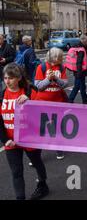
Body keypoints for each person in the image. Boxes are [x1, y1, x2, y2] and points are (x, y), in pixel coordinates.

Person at [0, 63, 49, 200]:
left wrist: (30, 101)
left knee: (37, 162)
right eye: (5, 78)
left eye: (11, 78)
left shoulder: (29, 90)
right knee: (16, 172)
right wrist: (5, 140)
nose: (7, 81)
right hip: (11, 141)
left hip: (30, 138)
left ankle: (43, 184)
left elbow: (44, 112)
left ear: (19, 78)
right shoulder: (2, 95)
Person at [34, 47, 69, 160]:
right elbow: (38, 86)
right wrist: (48, 79)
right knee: (41, 129)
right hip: (42, 103)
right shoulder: (42, 67)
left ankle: (59, 150)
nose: (62, 59)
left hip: (58, 103)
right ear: (54, 58)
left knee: (58, 128)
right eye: (60, 57)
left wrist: (56, 79)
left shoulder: (61, 67)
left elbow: (64, 84)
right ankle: (36, 155)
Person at [67, 35, 87, 105]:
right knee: (77, 86)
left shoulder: (78, 47)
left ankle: (85, 100)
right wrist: (79, 73)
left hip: (78, 71)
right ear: (83, 41)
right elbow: (79, 62)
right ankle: (70, 99)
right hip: (79, 71)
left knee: (82, 86)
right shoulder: (81, 49)